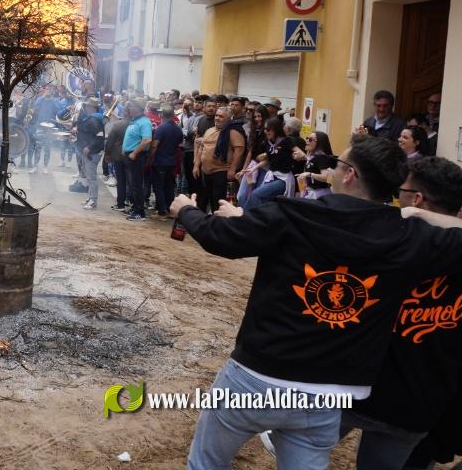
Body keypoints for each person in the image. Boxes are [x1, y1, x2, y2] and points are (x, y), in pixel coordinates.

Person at [169, 135, 462, 470]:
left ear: (350, 174)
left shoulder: (293, 214)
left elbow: (220, 237)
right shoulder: (409, 236)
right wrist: (415, 214)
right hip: (328, 393)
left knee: (206, 462)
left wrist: (186, 211)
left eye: (337, 164)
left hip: (257, 375)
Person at [338, 156, 462, 470]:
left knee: (298, 444)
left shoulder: (389, 235)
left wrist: (410, 214)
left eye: (402, 189)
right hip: (421, 404)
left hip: (359, 392)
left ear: (416, 197)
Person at [193, 106, 245, 214]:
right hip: (205, 171)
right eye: (216, 115)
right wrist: (196, 165)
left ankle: (218, 225)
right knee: (204, 199)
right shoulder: (209, 130)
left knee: (217, 202)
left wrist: (232, 169)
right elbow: (201, 148)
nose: (217, 118)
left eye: (221, 116)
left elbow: (239, 150)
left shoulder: (232, 132)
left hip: (221, 171)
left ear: (228, 118)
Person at [243, 118, 296, 210]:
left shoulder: (286, 141)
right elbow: (268, 160)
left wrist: (300, 155)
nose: (265, 132)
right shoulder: (269, 143)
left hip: (283, 179)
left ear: (276, 129)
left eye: (268, 129)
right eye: (264, 129)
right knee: (265, 201)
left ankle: (243, 217)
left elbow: (298, 152)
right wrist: (252, 169)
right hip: (272, 175)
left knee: (256, 194)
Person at [117, 99, 154, 221]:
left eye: (131, 106)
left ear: (138, 108)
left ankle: (139, 211)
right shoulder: (135, 121)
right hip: (130, 156)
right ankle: (135, 207)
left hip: (137, 157)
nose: (129, 108)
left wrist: (134, 152)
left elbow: (147, 140)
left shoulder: (144, 122)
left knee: (137, 184)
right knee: (133, 184)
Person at [149, 106, 183, 217]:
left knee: (158, 186)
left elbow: (155, 145)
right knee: (169, 186)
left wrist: (150, 158)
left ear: (162, 115)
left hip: (160, 161)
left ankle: (162, 210)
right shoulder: (178, 128)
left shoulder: (161, 128)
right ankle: (169, 208)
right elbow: (179, 143)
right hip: (171, 161)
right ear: (173, 115)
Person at [75, 97, 106, 210]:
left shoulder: (95, 120)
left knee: (92, 177)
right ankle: (90, 198)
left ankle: (93, 200)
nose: (85, 107)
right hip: (88, 151)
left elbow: (99, 137)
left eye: (87, 106)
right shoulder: (91, 118)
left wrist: (89, 147)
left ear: (92, 107)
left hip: (92, 152)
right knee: (89, 176)